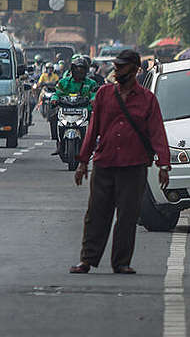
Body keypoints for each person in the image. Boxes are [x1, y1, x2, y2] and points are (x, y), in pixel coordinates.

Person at [70, 50, 170, 275]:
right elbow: (92, 130)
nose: (117, 70)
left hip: (133, 167)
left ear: (135, 70)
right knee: (96, 214)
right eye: (116, 66)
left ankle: (121, 262)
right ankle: (87, 260)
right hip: (105, 164)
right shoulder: (104, 94)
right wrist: (82, 162)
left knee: (127, 216)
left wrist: (164, 165)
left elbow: (157, 134)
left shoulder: (147, 100)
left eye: (122, 67)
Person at [49, 55, 99, 154]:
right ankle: (59, 143)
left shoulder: (91, 83)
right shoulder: (64, 82)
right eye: (77, 69)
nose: (79, 72)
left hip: (85, 110)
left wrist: (93, 100)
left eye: (82, 69)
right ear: (72, 69)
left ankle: (93, 143)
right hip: (66, 109)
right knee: (53, 118)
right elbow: (57, 93)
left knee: (96, 120)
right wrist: (54, 100)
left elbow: (95, 94)